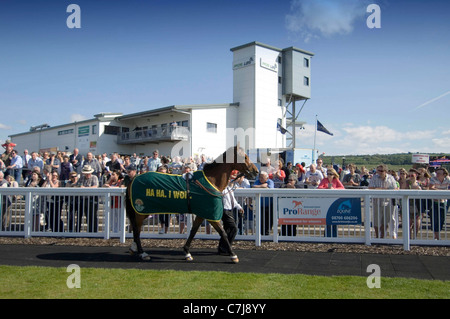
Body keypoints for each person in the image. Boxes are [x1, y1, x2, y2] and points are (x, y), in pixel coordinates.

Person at [368, 164, 398, 238]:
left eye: (381, 171)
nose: (379, 172)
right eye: (378, 170)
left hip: (388, 202)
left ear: (385, 171)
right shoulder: (374, 178)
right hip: (377, 201)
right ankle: (377, 236)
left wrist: (380, 189)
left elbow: (396, 188)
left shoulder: (391, 178)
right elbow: (371, 188)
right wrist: (384, 189)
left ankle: (382, 236)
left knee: (386, 220)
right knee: (376, 220)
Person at [218, 176, 244, 255]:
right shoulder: (221, 190)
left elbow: (234, 200)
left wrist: (239, 207)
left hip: (230, 210)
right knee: (234, 229)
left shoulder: (229, 189)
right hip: (224, 211)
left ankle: (222, 248)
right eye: (227, 179)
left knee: (227, 230)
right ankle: (227, 247)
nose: (229, 181)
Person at [429, 167, 450, 240]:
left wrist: (442, 192)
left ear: (444, 174)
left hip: (443, 202)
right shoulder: (433, 179)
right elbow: (431, 187)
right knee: (434, 219)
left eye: (439, 173)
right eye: (437, 173)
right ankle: (437, 237)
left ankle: (437, 236)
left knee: (442, 219)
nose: (437, 174)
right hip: (434, 202)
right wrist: (442, 191)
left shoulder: (447, 179)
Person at [78, 165, 99, 232]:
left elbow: (95, 186)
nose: (87, 175)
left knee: (93, 215)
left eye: (88, 173)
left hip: (92, 199)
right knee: (87, 215)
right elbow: (79, 185)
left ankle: (94, 231)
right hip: (83, 199)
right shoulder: (81, 178)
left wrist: (85, 188)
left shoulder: (94, 177)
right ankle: (89, 231)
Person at [252, 171, 274, 235]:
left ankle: (267, 233)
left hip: (269, 205)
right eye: (260, 177)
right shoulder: (257, 181)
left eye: (262, 177)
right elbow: (253, 187)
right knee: (260, 219)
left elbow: (270, 188)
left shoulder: (270, 181)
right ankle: (260, 234)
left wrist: (259, 187)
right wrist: (263, 186)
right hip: (260, 205)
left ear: (267, 178)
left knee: (269, 220)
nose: (260, 178)